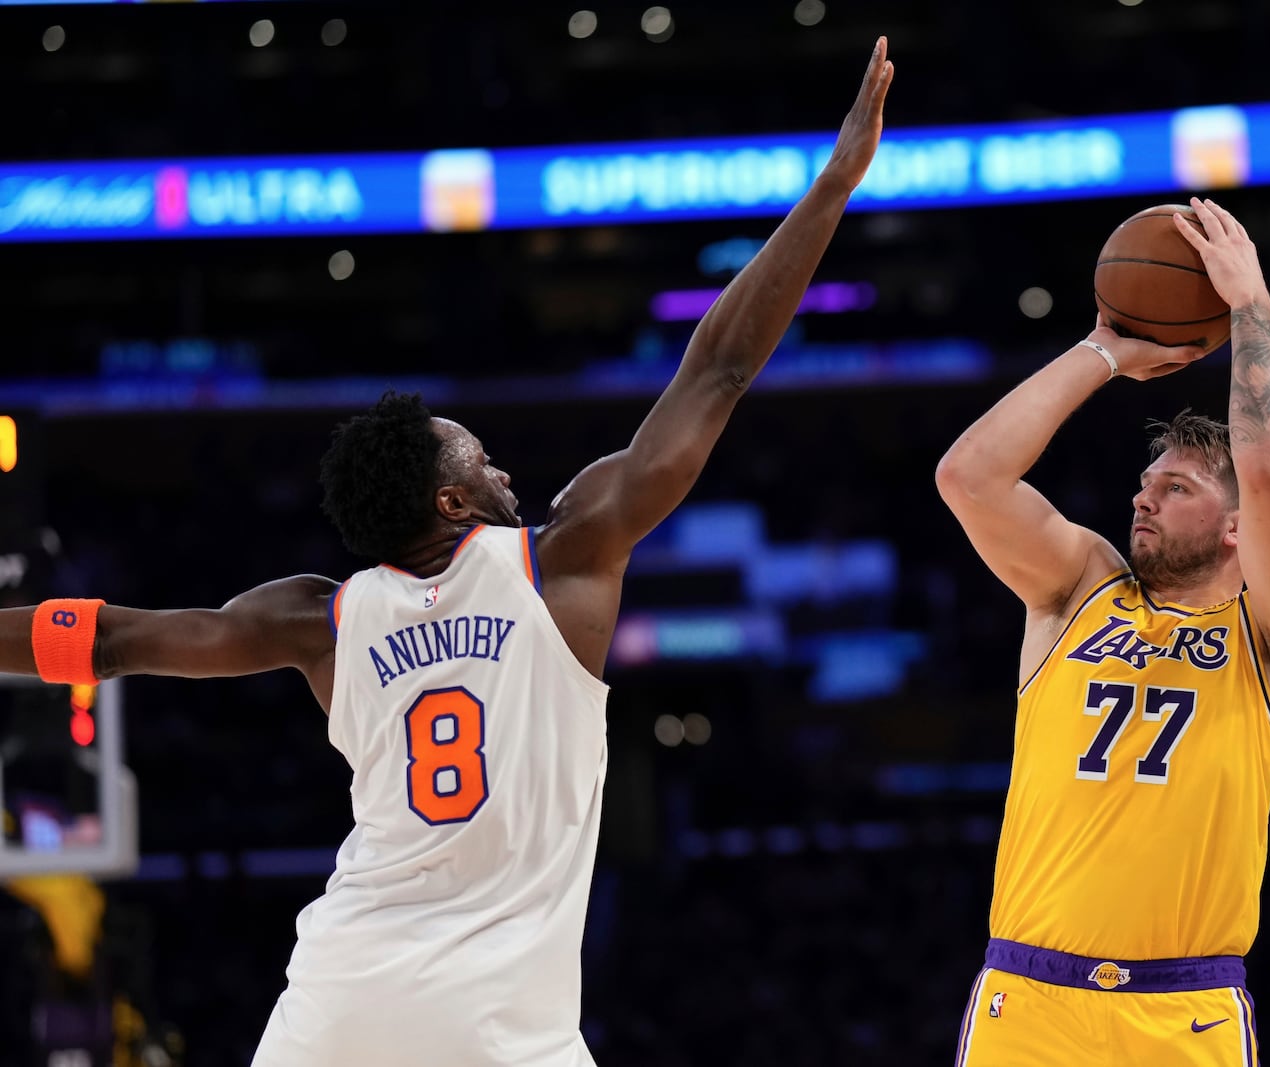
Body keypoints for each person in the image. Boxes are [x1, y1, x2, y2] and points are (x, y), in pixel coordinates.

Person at [0, 38, 894, 1067]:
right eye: (480, 454)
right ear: (448, 493)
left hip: (335, 1011)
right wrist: (832, 186)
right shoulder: (564, 563)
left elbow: (109, 641)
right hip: (499, 1029)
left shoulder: (318, 616)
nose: (502, 464)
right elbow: (720, 368)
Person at [935, 197, 1270, 1066]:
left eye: (1177, 488)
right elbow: (969, 475)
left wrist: (1251, 307)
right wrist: (1104, 352)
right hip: (1029, 1001)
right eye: (1145, 482)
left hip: (1184, 1010)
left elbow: (1268, 468)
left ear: (1236, 528)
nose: (1141, 497)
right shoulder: (1078, 586)